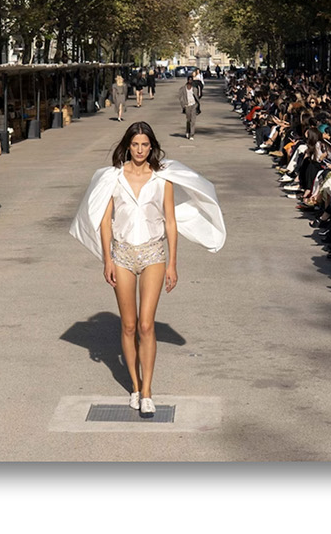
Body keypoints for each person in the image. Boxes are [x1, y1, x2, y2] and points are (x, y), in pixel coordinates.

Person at [69, 122, 226, 416]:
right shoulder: (112, 177)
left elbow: (170, 221)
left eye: (145, 145)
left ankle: (149, 390)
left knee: (146, 324)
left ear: (151, 146)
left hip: (154, 253)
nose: (140, 150)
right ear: (128, 145)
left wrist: (173, 264)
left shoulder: (162, 178)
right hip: (122, 255)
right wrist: (107, 260)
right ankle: (136, 386)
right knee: (128, 325)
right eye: (135, 144)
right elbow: (105, 222)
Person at [179, 75, 201, 140]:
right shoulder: (183, 89)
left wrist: (198, 104)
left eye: (191, 80)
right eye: (189, 80)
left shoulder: (194, 89)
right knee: (188, 120)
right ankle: (187, 131)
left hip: (193, 105)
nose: (190, 81)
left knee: (193, 120)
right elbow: (180, 98)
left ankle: (192, 134)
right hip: (187, 106)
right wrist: (183, 105)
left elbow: (197, 96)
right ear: (187, 80)